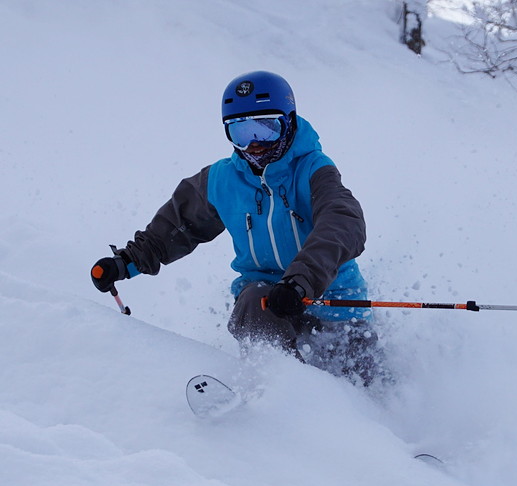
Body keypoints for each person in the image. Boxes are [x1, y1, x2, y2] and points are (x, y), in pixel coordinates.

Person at [90, 71, 378, 385]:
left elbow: (342, 223)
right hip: (268, 300)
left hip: (334, 302)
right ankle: (279, 395)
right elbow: (175, 228)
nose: (253, 145)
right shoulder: (222, 180)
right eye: (240, 132)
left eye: (265, 129)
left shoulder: (314, 170)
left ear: (289, 122)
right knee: (255, 300)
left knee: (362, 382)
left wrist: (301, 281)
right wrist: (126, 263)